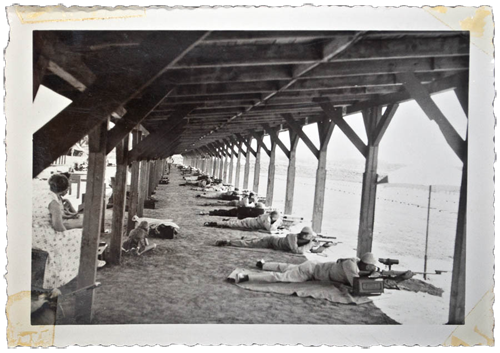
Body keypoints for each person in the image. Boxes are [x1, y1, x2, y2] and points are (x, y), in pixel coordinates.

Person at [32, 174, 83, 290]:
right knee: (79, 235)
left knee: (71, 232)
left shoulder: (40, 195)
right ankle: (68, 273)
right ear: (65, 190)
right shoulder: (53, 202)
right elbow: (58, 226)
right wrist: (67, 234)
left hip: (32, 233)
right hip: (43, 236)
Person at [231, 252, 388, 287]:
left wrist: (371, 272)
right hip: (311, 272)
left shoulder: (354, 261)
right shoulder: (351, 266)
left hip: (314, 266)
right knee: (281, 277)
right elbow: (356, 283)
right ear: (366, 265)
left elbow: (357, 272)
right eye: (371, 266)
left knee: (287, 267)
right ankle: (247, 277)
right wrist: (373, 277)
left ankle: (263, 264)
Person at [215, 226, 332, 254]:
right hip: (271, 241)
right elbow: (297, 251)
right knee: (249, 244)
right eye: (310, 236)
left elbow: (313, 251)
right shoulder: (292, 237)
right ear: (305, 236)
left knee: (253, 240)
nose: (312, 238)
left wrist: (323, 247)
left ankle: (242, 238)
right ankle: (229, 242)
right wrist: (311, 243)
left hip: (272, 243)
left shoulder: (305, 241)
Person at [205, 210, 283, 232]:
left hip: (249, 221)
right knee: (232, 224)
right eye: (276, 218)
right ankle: (214, 223)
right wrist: (276, 223)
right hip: (248, 223)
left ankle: (224, 221)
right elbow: (270, 229)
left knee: (234, 222)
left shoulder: (267, 216)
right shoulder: (267, 219)